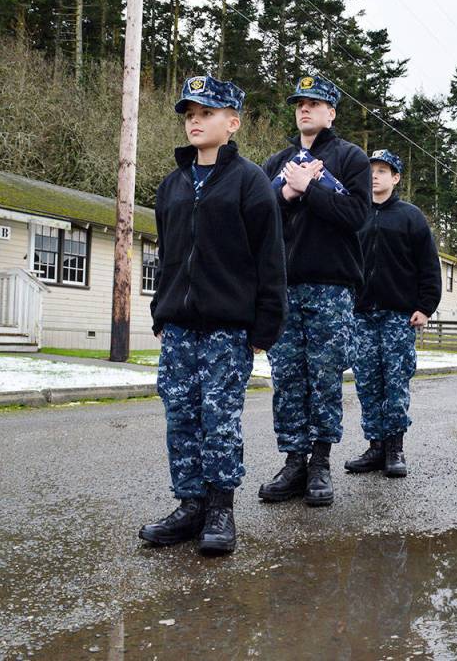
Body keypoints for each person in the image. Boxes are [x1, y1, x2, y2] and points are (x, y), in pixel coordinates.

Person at [139, 75, 287, 554]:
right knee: (180, 417)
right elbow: (169, 256)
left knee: (218, 417)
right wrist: (161, 312)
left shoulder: (251, 182)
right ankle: (189, 505)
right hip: (180, 326)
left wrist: (266, 324)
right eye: (189, 114)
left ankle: (220, 509)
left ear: (232, 122)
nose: (195, 121)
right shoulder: (172, 186)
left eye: (205, 113)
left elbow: (270, 258)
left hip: (228, 328)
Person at [258, 74, 371, 507]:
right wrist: (287, 192)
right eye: (299, 103)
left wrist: (314, 187)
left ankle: (320, 462)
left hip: (331, 286)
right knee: (287, 377)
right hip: (285, 285)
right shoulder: (276, 161)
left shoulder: (350, 158)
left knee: (323, 377)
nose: (304, 109)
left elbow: (357, 215)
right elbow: (262, 222)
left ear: (331, 113)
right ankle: (292, 461)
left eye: (315, 103)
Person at [345, 149, 441, 478]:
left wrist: (425, 306)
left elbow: (429, 267)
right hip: (360, 316)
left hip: (398, 317)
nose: (374, 176)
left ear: (395, 177)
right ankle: (375, 447)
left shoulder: (410, 217)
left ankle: (394, 448)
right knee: (368, 384)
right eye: (370, 170)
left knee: (395, 383)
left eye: (383, 170)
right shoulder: (353, 213)